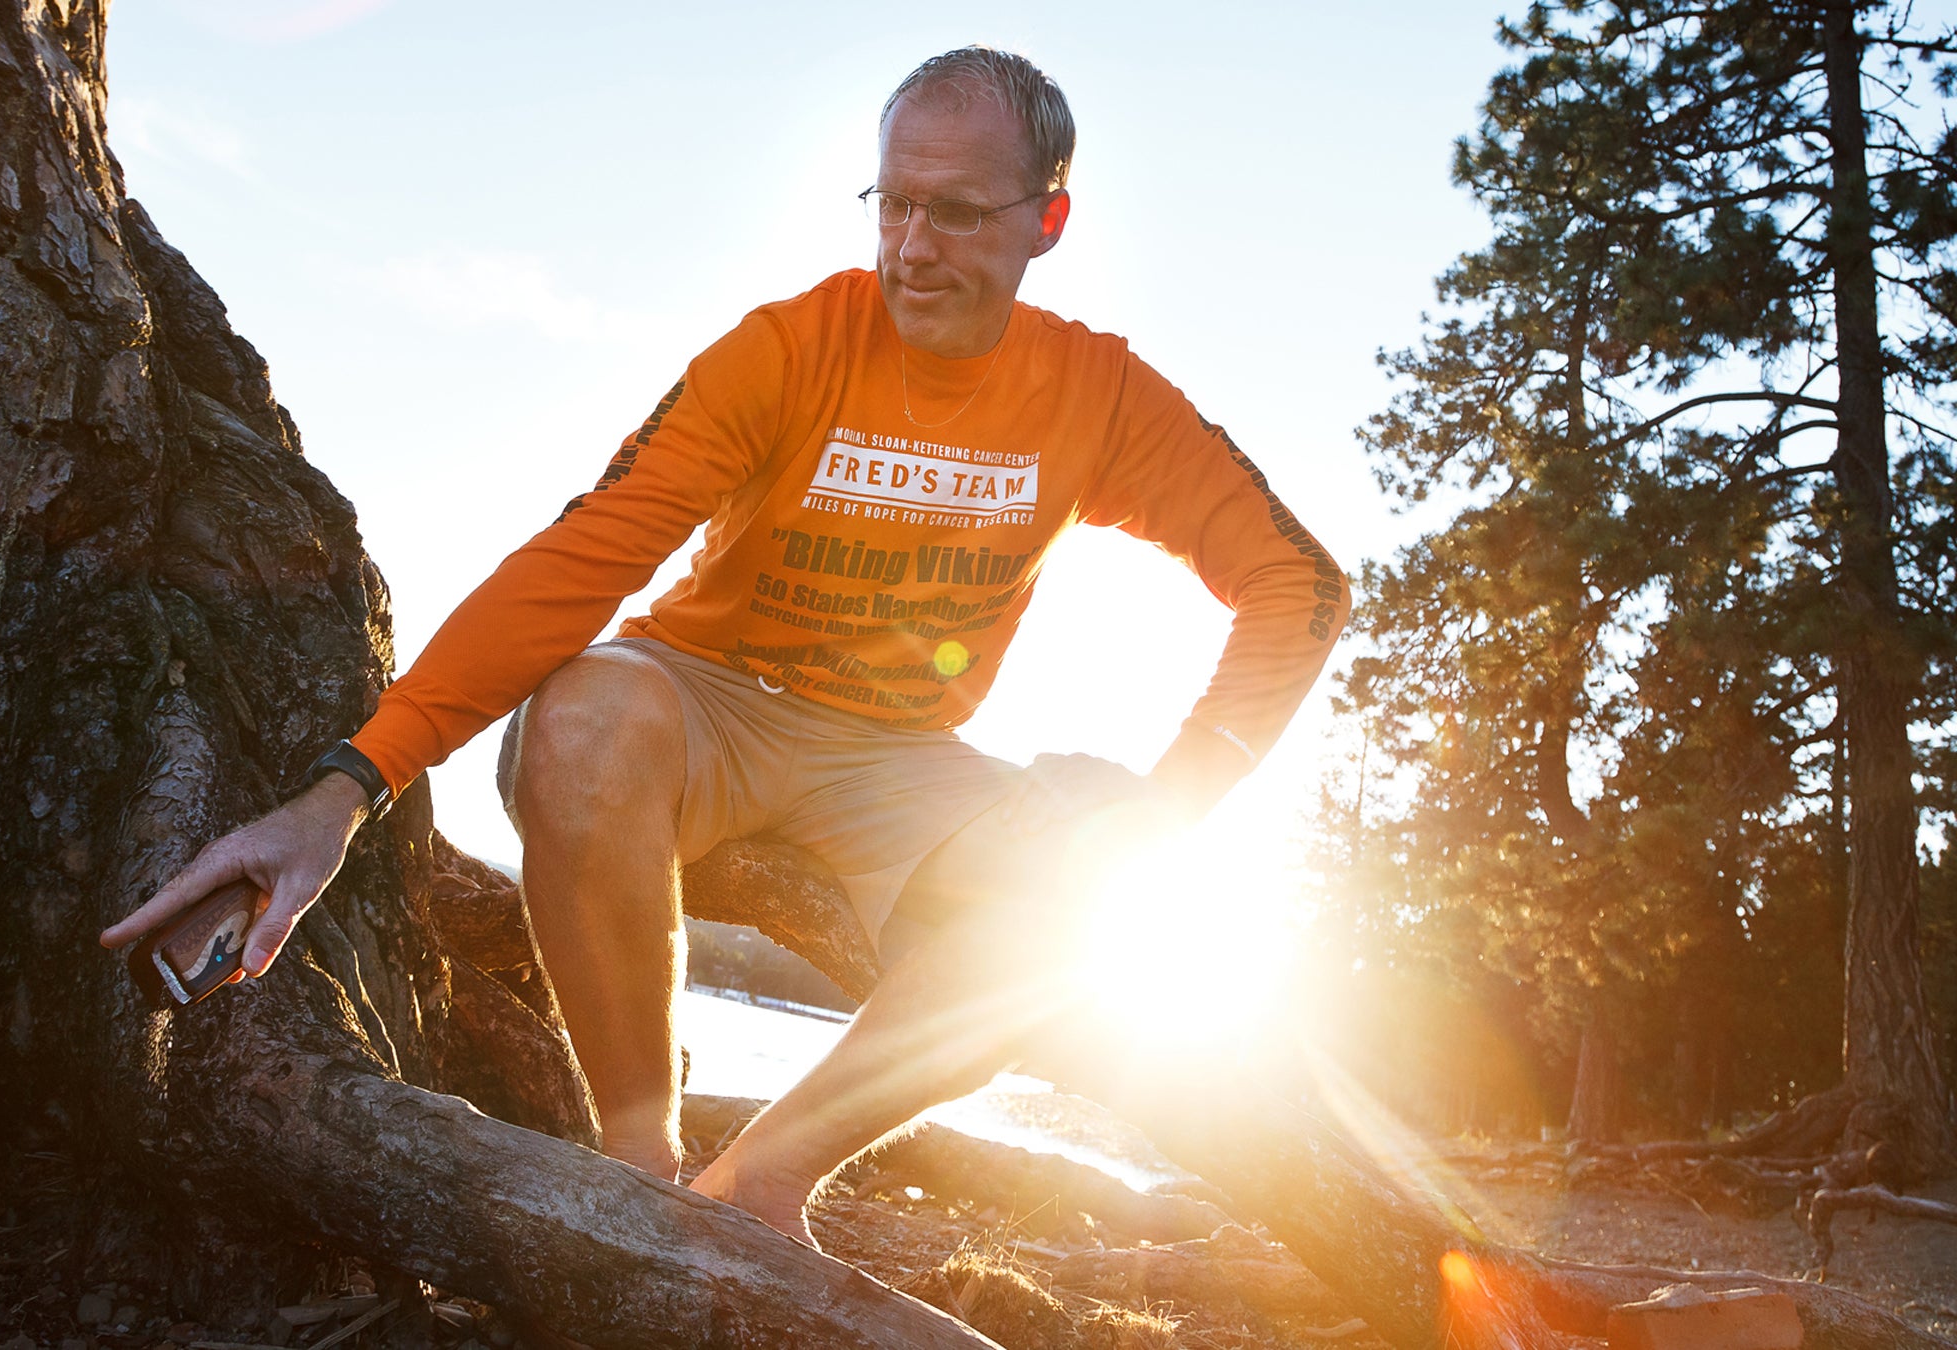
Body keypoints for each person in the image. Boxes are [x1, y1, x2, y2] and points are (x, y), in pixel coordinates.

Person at [102, 47, 1345, 1246]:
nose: (913, 249)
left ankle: (761, 1183)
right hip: (701, 702)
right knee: (588, 710)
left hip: (900, 753)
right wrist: (349, 789)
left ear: (1048, 220)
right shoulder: (789, 348)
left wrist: (1170, 809)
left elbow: (1298, 585)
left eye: (960, 215)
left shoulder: (1101, 396)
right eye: (896, 203)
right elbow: (581, 561)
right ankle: (640, 1164)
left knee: (1087, 887)